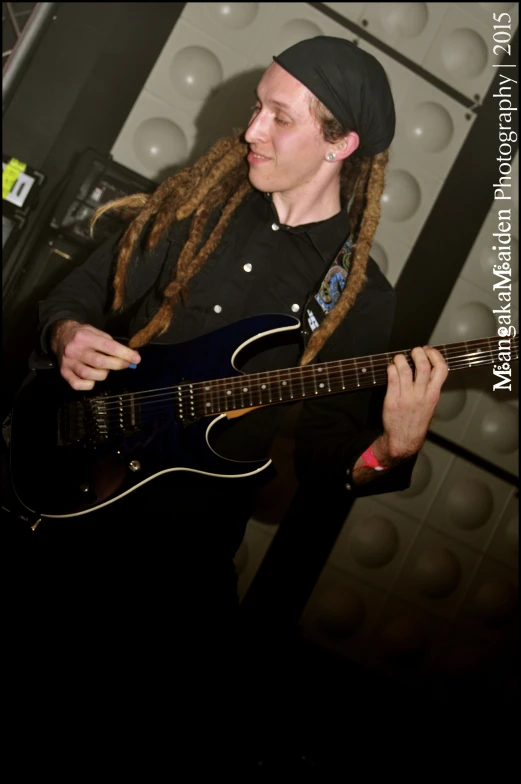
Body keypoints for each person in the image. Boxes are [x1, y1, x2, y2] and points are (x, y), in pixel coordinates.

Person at [25, 37, 447, 741]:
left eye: (279, 118)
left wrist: (388, 453)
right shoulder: (196, 204)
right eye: (257, 108)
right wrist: (67, 334)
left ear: (339, 142)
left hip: (177, 566)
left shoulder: (359, 299)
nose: (251, 130)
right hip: (70, 492)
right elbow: (76, 292)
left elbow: (321, 459)